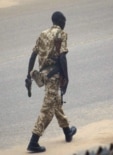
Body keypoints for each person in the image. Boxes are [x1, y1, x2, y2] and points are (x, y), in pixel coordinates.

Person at [25, 11, 76, 153]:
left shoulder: (43, 33)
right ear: (60, 21)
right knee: (47, 109)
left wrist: (28, 75)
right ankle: (33, 142)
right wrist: (66, 77)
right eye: (64, 21)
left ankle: (67, 132)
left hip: (44, 75)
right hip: (54, 76)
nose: (65, 24)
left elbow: (33, 55)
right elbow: (62, 58)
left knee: (56, 103)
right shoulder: (61, 34)